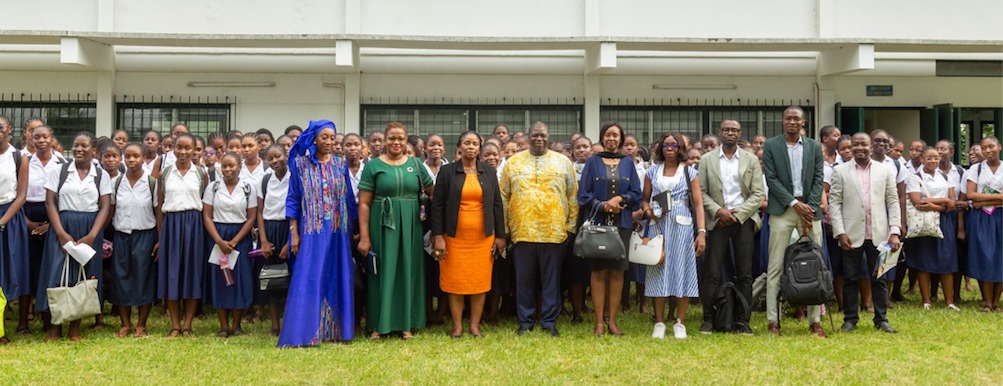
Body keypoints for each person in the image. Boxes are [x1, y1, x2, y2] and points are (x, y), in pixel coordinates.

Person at [279, 120, 357, 346]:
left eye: (333, 138)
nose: (330, 142)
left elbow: (349, 200)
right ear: (314, 138)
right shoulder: (299, 164)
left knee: (337, 274)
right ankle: (304, 332)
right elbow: (293, 199)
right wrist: (294, 233)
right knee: (309, 276)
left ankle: (335, 331)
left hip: (338, 232)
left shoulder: (340, 165)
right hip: (311, 232)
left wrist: (355, 230)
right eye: (325, 137)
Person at [357, 122, 434, 340]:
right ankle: (378, 324)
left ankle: (406, 324)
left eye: (400, 138)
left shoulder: (416, 164)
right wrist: (364, 237)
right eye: (391, 138)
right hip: (381, 224)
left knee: (408, 270)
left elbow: (433, 192)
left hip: (411, 225)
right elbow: (363, 203)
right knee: (382, 272)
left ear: (406, 140)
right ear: (384, 140)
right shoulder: (372, 166)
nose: (396, 142)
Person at [500, 122, 578, 337]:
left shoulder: (563, 162)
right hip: (522, 232)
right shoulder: (513, 163)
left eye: (543, 135)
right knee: (523, 281)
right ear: (528, 136)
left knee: (551, 281)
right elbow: (503, 197)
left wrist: (570, 228)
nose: (539, 139)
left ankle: (549, 321)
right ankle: (525, 322)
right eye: (535, 135)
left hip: (554, 233)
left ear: (548, 136)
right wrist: (507, 228)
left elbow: (573, 196)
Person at [37, 132, 112, 342]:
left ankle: (75, 328)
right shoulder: (59, 171)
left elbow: (105, 207)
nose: (79, 149)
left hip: (90, 228)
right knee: (58, 274)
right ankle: (55, 327)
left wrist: (92, 235)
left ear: (93, 151)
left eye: (84, 146)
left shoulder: (101, 175)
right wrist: (60, 233)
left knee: (84, 277)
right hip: (62, 226)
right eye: (76, 145)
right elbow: (50, 202)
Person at [430, 131, 506, 338]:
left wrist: (500, 235)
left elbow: (497, 205)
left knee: (479, 282)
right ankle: (457, 326)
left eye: (475, 144)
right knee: (455, 282)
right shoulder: (446, 172)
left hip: (483, 238)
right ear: (459, 148)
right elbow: (436, 206)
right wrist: (438, 236)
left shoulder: (489, 172)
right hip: (453, 238)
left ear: (479, 148)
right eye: (467, 143)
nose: (471, 147)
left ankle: (474, 325)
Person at [762, 106, 827, 338]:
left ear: (803, 122)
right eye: (788, 118)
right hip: (783, 210)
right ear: (783, 121)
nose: (792, 121)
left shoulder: (814, 146)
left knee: (814, 263)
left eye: (796, 118)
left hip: (809, 210)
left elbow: (819, 177)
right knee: (776, 266)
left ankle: (815, 321)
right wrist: (794, 204)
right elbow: (771, 179)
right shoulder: (771, 145)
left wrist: (808, 207)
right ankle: (773, 321)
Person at [830, 132, 902, 334]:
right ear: (850, 147)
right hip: (851, 234)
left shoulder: (885, 170)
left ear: (871, 147)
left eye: (864, 144)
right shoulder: (840, 171)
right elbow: (835, 203)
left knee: (879, 277)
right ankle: (850, 319)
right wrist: (840, 232)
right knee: (850, 278)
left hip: (880, 233)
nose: (860, 148)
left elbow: (893, 200)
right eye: (856, 145)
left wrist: (894, 231)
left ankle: (881, 319)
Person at [698, 119, 764, 335]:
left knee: (744, 272)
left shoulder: (750, 159)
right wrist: (718, 211)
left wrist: (739, 215)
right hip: (718, 220)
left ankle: (742, 321)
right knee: (712, 271)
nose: (730, 133)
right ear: (720, 132)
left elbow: (757, 194)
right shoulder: (707, 159)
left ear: (740, 133)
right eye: (726, 130)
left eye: (734, 130)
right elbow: (701, 191)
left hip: (742, 220)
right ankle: (709, 318)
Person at [576, 123, 641, 336]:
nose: (611, 138)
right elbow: (583, 195)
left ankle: (612, 321)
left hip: (621, 224)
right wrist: (603, 205)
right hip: (598, 225)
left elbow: (637, 194)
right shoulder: (593, 162)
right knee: (597, 271)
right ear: (602, 138)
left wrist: (620, 199)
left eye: (615, 135)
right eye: (607, 135)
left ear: (621, 139)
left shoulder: (628, 163)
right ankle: (599, 323)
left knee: (617, 272)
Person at [640, 132, 705, 339]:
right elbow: (644, 200)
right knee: (658, 269)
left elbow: (698, 204)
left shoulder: (690, 172)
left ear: (680, 149)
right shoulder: (652, 171)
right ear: (660, 148)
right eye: (666, 145)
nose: (669, 148)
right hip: (658, 224)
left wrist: (701, 232)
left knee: (682, 269)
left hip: (682, 225)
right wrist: (648, 211)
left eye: (674, 145)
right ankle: (659, 322)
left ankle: (680, 322)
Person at [156, 133, 208, 338]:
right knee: (172, 274)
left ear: (195, 150)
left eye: (189, 148)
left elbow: (205, 204)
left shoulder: (201, 174)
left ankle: (188, 324)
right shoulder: (165, 174)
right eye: (179, 147)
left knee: (192, 273)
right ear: (172, 149)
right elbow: (159, 207)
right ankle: (175, 325)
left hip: (194, 226)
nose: (184, 152)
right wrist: (161, 238)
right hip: (171, 225)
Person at [16, 124, 65, 335]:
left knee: (50, 268)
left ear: (52, 139)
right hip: (26, 215)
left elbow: (63, 197)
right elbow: (18, 193)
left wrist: (50, 224)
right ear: (31, 139)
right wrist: (25, 221)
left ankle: (48, 318)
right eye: (37, 137)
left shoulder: (62, 163)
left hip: (53, 217)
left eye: (45, 136)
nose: (41, 140)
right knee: (27, 268)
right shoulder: (23, 161)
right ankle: (23, 323)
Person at [203, 152, 257, 338]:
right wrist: (219, 241)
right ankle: (223, 326)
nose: (227, 170)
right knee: (222, 279)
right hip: (218, 236)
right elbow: (207, 216)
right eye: (224, 166)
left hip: (239, 238)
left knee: (239, 279)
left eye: (231, 166)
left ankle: (236, 325)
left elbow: (251, 218)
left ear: (239, 167)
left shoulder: (248, 187)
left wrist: (234, 241)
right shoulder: (213, 187)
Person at [108, 143, 158, 338]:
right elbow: (110, 210)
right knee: (121, 277)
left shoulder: (152, 182)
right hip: (121, 235)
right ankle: (125, 324)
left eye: (136, 156)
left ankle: (141, 324)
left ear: (143, 157)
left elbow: (157, 213)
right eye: (127, 156)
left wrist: (159, 239)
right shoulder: (117, 182)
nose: (131, 160)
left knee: (143, 277)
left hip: (144, 235)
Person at [903, 146, 959, 311]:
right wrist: (944, 202)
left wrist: (939, 204)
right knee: (924, 259)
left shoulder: (945, 176)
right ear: (922, 159)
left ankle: (949, 301)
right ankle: (926, 300)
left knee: (947, 259)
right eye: (929, 158)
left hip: (944, 222)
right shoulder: (915, 177)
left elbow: (952, 202)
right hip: (924, 223)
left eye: (936, 158)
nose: (933, 161)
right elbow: (918, 203)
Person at [255, 144, 291, 336]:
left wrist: (290, 241)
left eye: (278, 156)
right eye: (271, 158)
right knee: (272, 278)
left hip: (290, 229)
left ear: (285, 155)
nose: (275, 161)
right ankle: (275, 325)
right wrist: (263, 240)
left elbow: (300, 211)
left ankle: (290, 322)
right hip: (270, 230)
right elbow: (259, 212)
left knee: (291, 277)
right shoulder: (265, 179)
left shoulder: (295, 178)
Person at [0, 116, 29, 344]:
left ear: (9, 129)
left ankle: (10, 324)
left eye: (0, 127)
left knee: (10, 270)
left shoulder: (19, 157)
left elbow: (21, 196)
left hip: (9, 218)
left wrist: (2, 221)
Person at [966, 136, 1003, 313]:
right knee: (985, 256)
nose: (988, 151)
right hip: (981, 218)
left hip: (1000, 217)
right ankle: (987, 301)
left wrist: (984, 200)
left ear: (999, 147)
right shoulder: (976, 169)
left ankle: (996, 302)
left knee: (1000, 257)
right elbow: (971, 195)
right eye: (984, 148)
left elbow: (979, 198)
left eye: (991, 147)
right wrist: (1000, 197)